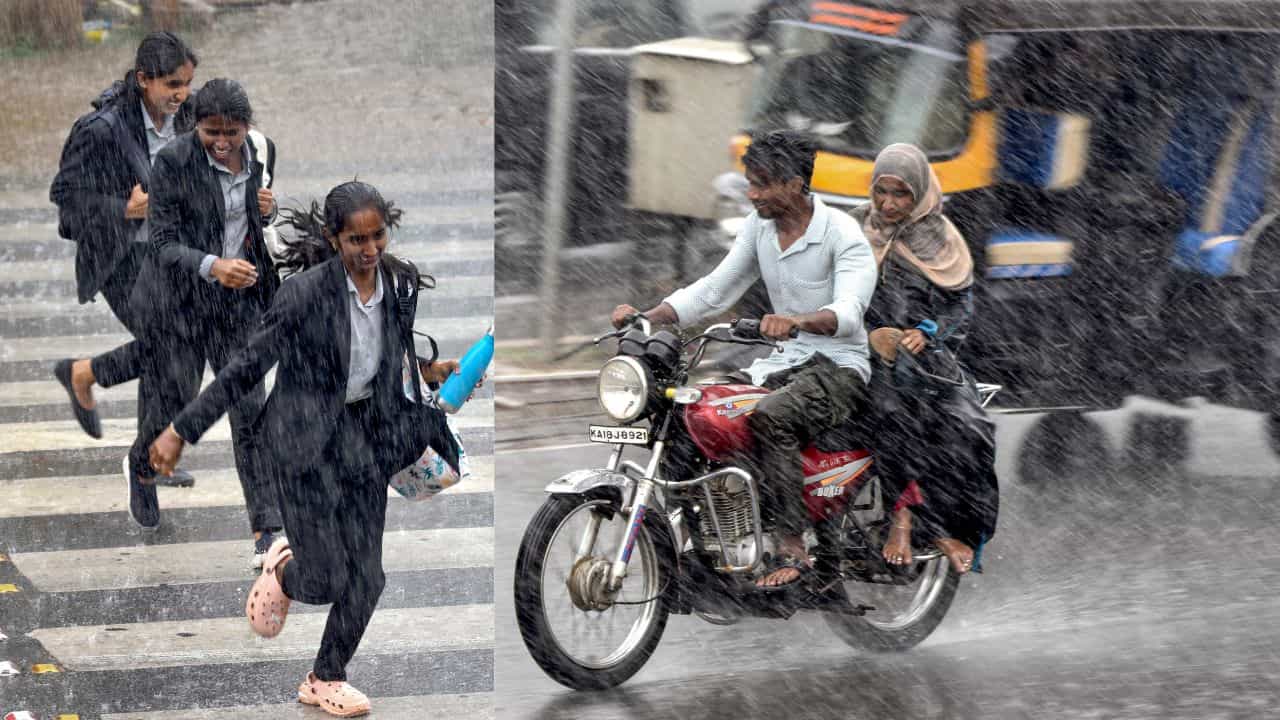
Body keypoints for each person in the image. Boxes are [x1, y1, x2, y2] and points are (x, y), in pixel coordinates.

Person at [148, 181, 464, 717]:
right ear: (333, 238)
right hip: (304, 443)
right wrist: (181, 430)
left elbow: (392, 349)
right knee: (325, 580)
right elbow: (246, 368)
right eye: (356, 240)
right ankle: (287, 570)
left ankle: (325, 678)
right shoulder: (303, 296)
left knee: (368, 578)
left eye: (377, 236)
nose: (370, 250)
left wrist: (429, 372)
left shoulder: (400, 283)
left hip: (367, 438)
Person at [611, 130, 878, 590]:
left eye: (762, 184)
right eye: (750, 182)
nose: (752, 194)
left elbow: (849, 315)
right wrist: (647, 316)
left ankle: (792, 545)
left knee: (773, 417)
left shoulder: (842, 234)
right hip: (780, 362)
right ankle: (713, 536)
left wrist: (796, 321)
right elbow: (715, 290)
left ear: (795, 184)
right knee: (697, 411)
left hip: (839, 366)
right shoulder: (760, 228)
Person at [126, 78, 284, 567]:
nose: (222, 142)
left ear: (247, 128)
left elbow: (256, 220)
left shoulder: (260, 151)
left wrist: (271, 208)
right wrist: (213, 264)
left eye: (231, 133)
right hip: (181, 306)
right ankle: (142, 471)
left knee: (249, 412)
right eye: (211, 132)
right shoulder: (172, 162)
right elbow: (162, 243)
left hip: (239, 306)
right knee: (172, 405)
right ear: (196, 126)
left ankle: (266, 524)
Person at [49, 31, 201, 488]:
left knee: (180, 347)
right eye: (172, 84)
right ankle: (147, 458)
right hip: (119, 257)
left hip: (170, 253)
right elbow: (65, 198)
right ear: (142, 80)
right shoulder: (102, 130)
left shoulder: (187, 118)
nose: (181, 94)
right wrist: (123, 207)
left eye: (187, 83)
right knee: (172, 344)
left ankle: (87, 375)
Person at [854, 142, 1000, 575]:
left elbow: (960, 306)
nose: (889, 203)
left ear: (919, 193)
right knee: (890, 412)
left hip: (925, 358)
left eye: (901, 194)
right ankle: (903, 518)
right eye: (882, 192)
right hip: (860, 348)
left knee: (968, 428)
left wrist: (926, 331)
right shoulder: (855, 230)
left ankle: (930, 522)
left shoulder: (940, 238)